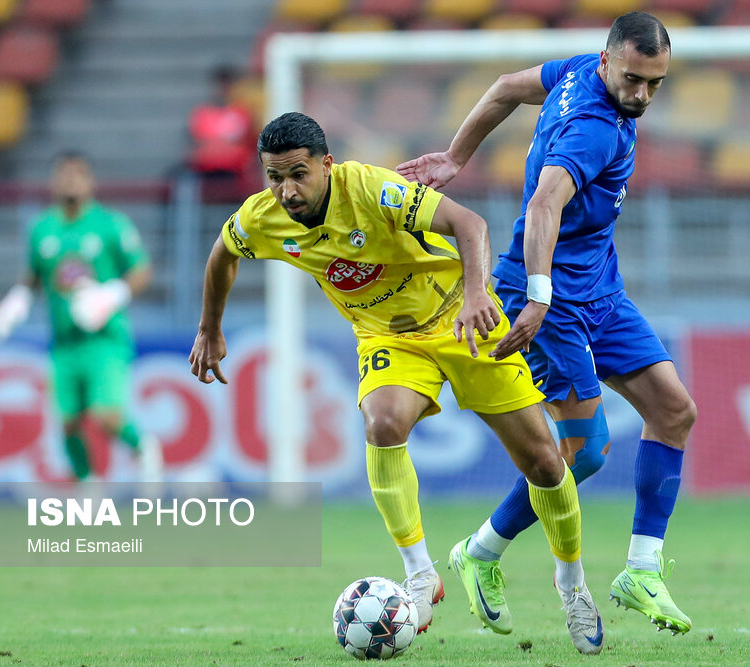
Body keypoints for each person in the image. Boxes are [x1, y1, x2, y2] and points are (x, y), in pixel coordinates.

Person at [188, 112, 604, 654]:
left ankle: (571, 583)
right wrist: (209, 328)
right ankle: (420, 573)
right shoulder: (262, 217)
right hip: (387, 337)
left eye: (297, 174)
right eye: (274, 177)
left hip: (461, 319)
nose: (286, 190)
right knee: (382, 424)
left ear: (327, 165)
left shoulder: (373, 190)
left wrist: (477, 292)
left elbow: (470, 224)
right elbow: (222, 254)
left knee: (545, 463)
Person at [397, 11, 695, 635]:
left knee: (674, 411)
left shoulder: (577, 71)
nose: (643, 95)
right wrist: (538, 296)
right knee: (584, 454)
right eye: (635, 80)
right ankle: (479, 552)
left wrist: (455, 156)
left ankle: (641, 570)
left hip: (600, 289)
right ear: (609, 61)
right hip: (549, 297)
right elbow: (542, 204)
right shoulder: (595, 130)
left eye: (656, 83)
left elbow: (506, 86)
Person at [0, 151, 163, 484]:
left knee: (104, 415)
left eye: (77, 173)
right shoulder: (42, 228)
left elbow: (141, 270)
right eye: (64, 174)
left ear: (90, 181)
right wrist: (18, 299)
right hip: (64, 342)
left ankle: (142, 447)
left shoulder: (110, 224)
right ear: (53, 181)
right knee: (68, 422)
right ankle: (88, 485)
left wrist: (112, 294)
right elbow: (34, 273)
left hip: (104, 339)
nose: (70, 180)